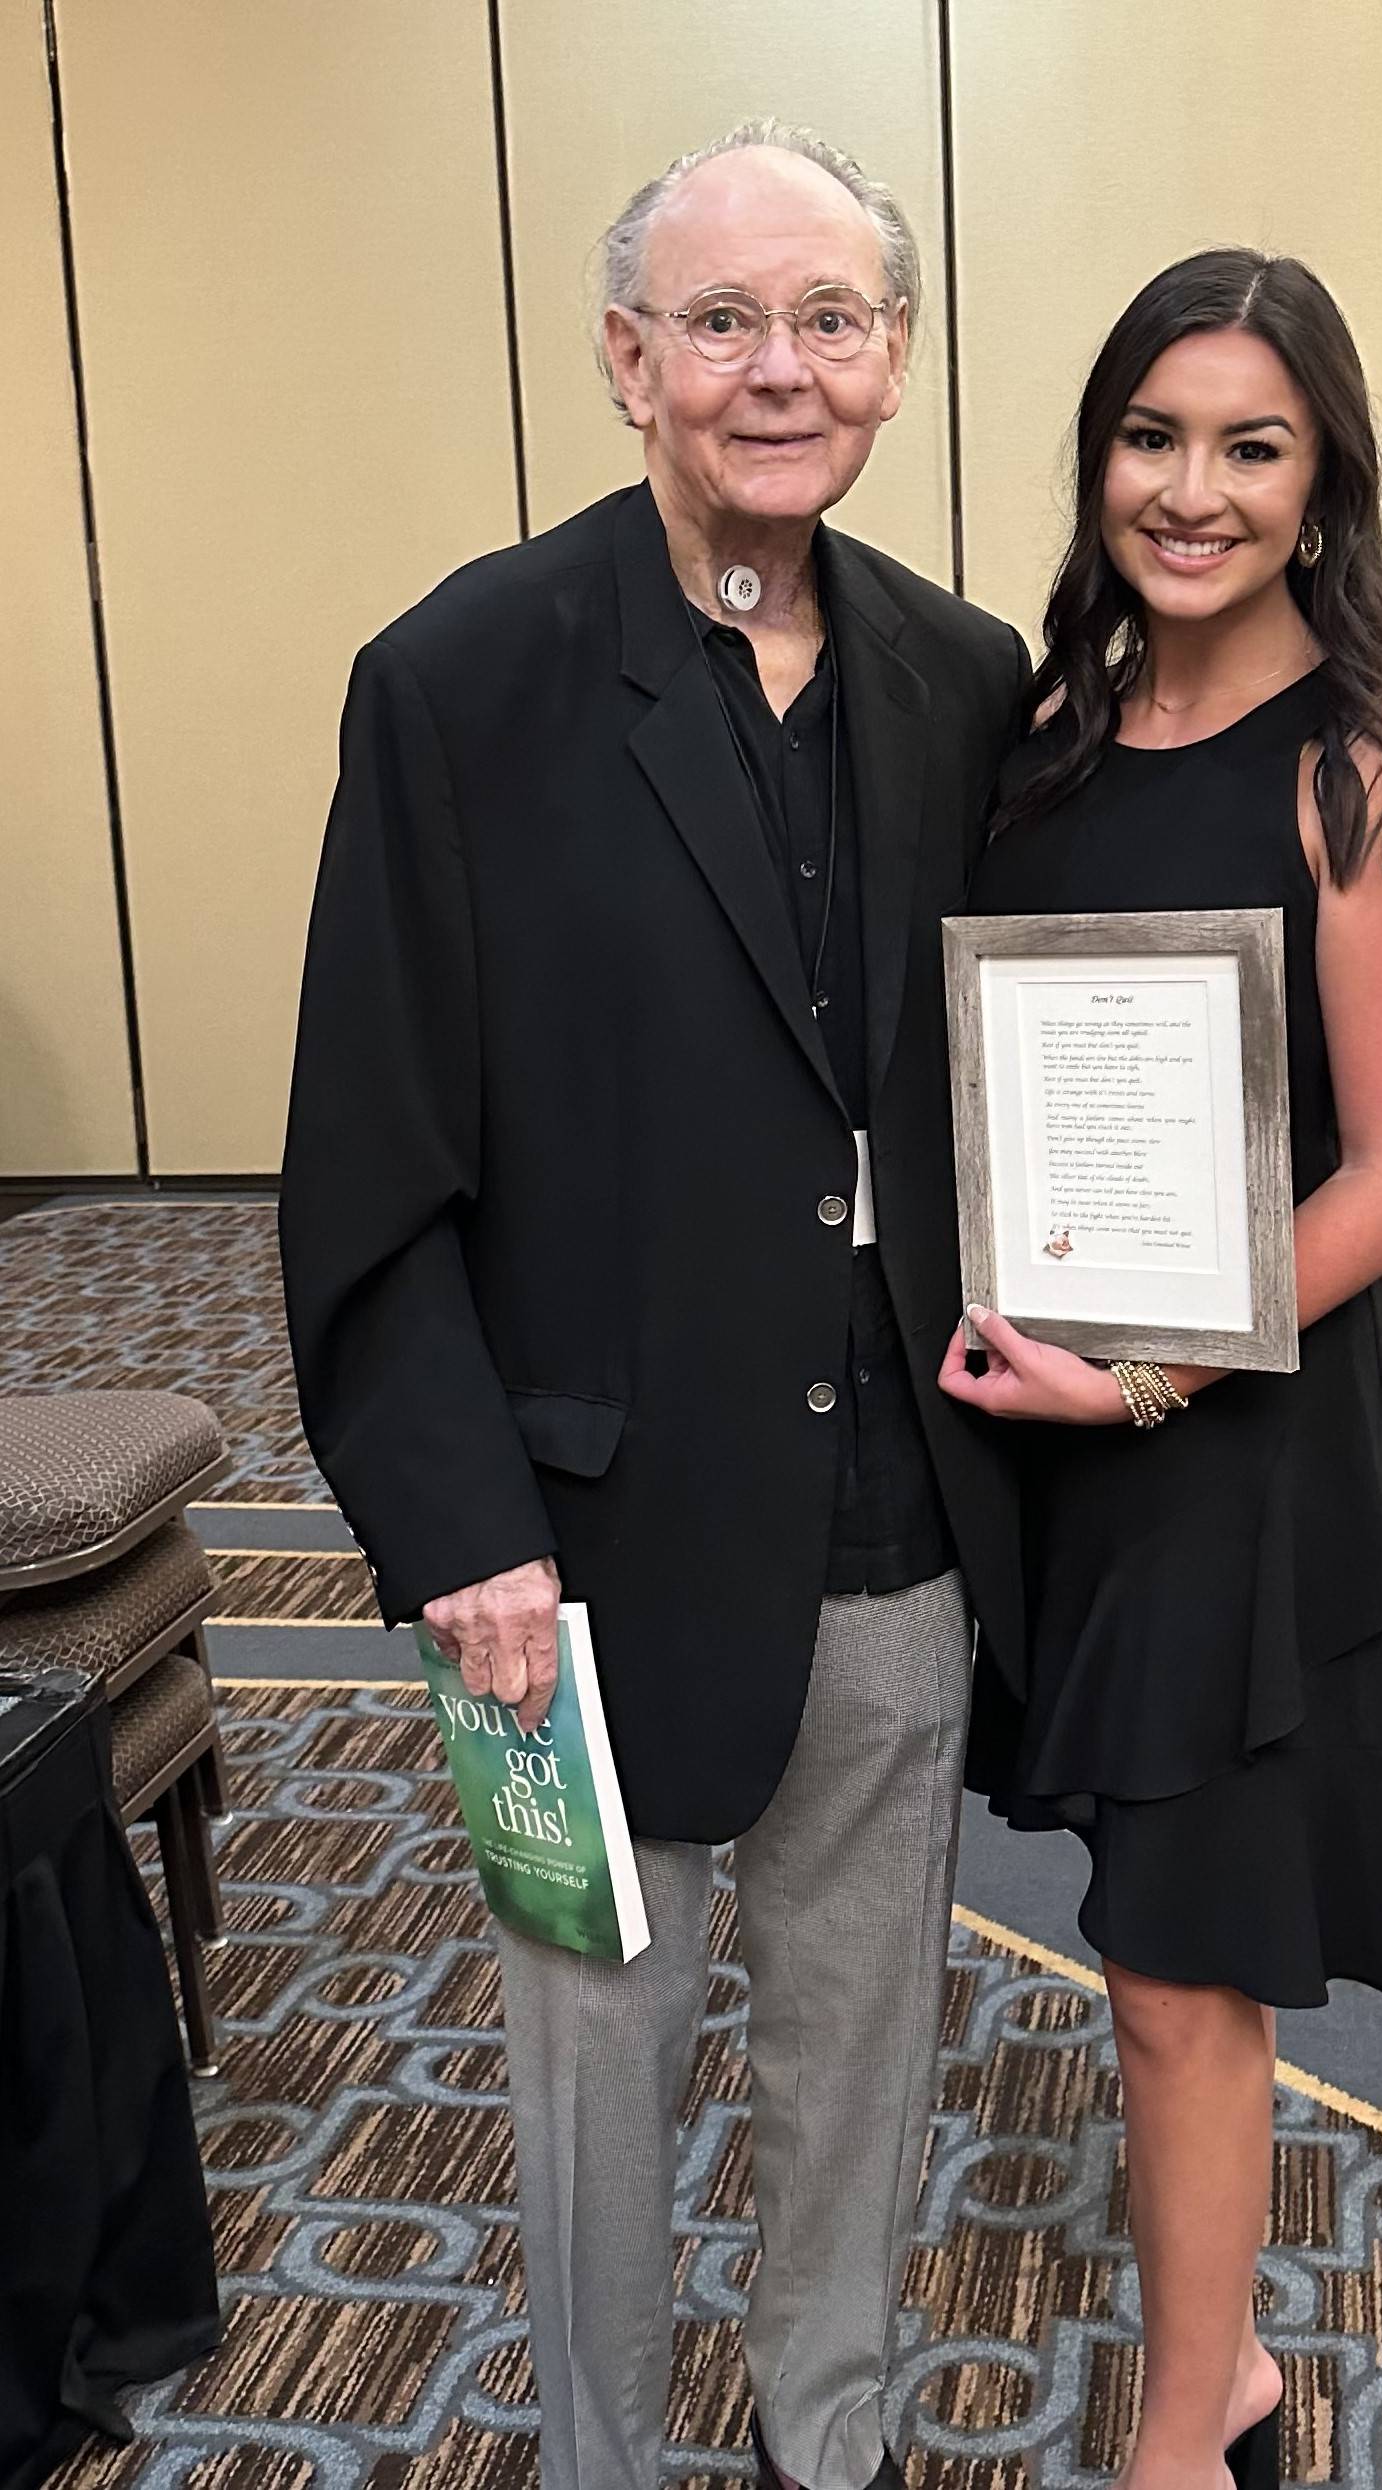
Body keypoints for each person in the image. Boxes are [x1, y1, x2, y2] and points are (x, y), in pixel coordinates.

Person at [279, 122, 1029, 2490]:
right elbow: (366, 1175)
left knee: (865, 2054)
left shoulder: (962, 675)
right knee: (595, 2076)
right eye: (720, 322)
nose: (774, 368)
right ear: (626, 357)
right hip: (567, 1575)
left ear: (895, 359)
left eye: (826, 318)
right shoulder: (462, 681)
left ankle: (830, 2432)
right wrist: (459, 1531)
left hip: (896, 1524)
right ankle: (601, 2453)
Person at [939, 250, 1382, 2490]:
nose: (1190, 488)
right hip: (1054, 1428)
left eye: (1249, 445)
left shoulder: (1370, 761)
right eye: (1151, 435)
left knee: (1178, 1962)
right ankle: (1224, 2373)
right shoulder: (1044, 746)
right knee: (1125, 1918)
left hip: (1227, 1444)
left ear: (1322, 475)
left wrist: (1139, 1380)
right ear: (1096, 457)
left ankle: (1194, 2427)